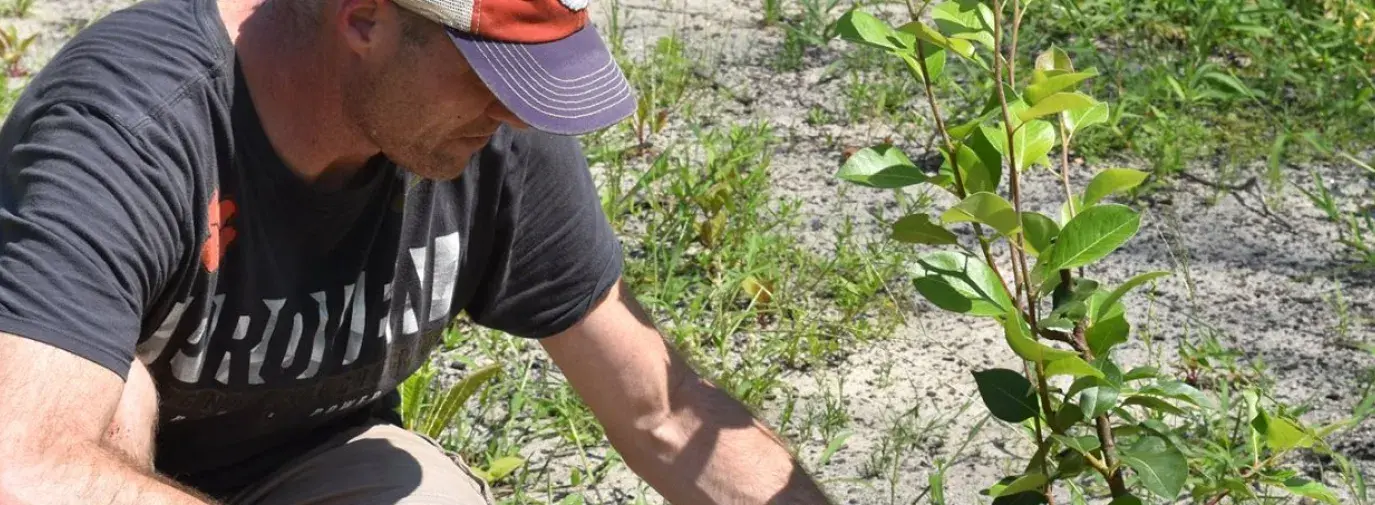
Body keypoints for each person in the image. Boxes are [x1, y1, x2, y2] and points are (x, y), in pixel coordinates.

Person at [0, 0, 834, 503]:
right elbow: (24, 469)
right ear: (363, 18)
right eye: (498, 76)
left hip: (303, 467)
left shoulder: (481, 132)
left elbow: (663, 410)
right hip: (89, 466)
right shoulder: (135, 129)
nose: (516, 114)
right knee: (115, 392)